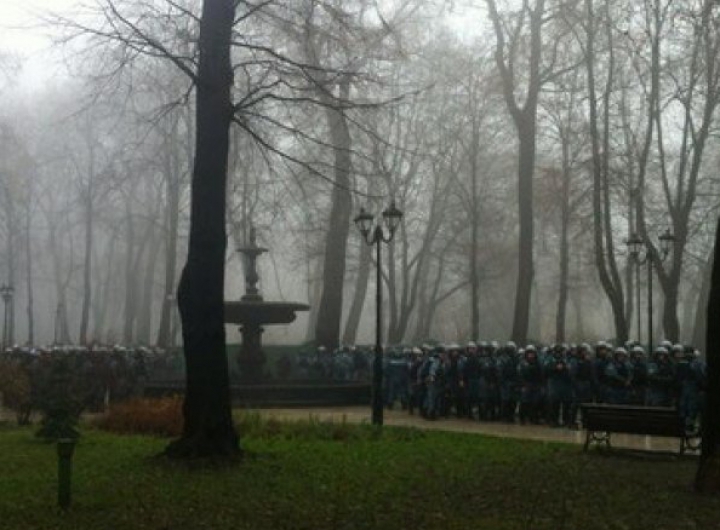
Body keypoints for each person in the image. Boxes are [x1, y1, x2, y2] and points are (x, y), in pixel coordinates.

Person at [518, 345, 543, 424]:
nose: (531, 355)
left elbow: (541, 374)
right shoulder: (522, 363)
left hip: (536, 384)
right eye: (529, 353)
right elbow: (520, 374)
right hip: (526, 384)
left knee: (535, 403)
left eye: (532, 353)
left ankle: (533, 418)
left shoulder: (538, 363)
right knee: (524, 402)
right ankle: (522, 419)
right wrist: (522, 385)